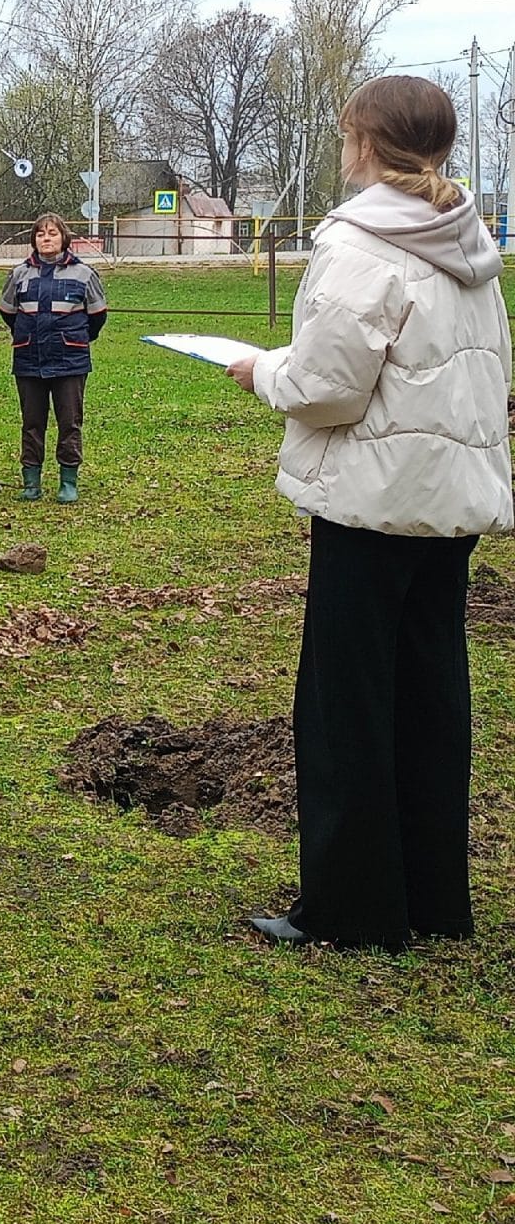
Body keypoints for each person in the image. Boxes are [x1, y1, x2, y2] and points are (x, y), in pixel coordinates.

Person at [227, 77, 512, 951]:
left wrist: (259, 371)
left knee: (345, 702)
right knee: (430, 693)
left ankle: (353, 911)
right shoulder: (468, 239)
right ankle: (430, 897)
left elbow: (326, 390)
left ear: (362, 143)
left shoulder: (359, 244)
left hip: (372, 501)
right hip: (449, 502)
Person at [0, 212, 106, 502]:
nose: (46, 238)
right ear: (34, 240)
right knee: (32, 422)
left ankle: (68, 481)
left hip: (70, 359)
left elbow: (97, 317)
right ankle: (31, 482)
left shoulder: (84, 274)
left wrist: (74, 339)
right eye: (41, 234)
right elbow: (8, 312)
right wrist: (27, 334)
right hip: (29, 358)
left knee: (69, 421)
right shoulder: (19, 273)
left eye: (53, 233)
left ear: (64, 238)